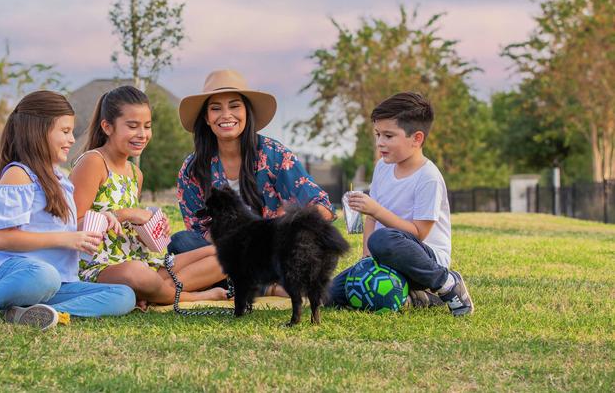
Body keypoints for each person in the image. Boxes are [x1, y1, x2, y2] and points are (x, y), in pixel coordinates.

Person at [0, 91, 136, 330]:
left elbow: (62, 229)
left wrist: (98, 222)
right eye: (65, 131)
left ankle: (42, 313)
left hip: (58, 283)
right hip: (21, 274)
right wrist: (68, 239)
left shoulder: (60, 179)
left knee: (124, 295)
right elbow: (5, 240)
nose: (72, 140)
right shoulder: (18, 175)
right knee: (44, 276)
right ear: (38, 131)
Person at [172, 69, 336, 296]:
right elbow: (198, 232)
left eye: (234, 106)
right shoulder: (192, 169)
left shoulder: (274, 154)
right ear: (206, 119)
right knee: (182, 241)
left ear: (247, 112)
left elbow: (323, 207)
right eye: (216, 108)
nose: (226, 115)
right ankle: (260, 286)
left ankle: (250, 284)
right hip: (222, 255)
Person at [70, 85, 228, 308]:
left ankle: (154, 293)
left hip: (139, 261)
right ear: (107, 126)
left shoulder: (135, 173)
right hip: (99, 266)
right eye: (132, 126)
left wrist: (152, 229)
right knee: (137, 274)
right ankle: (191, 296)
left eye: (147, 126)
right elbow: (70, 227)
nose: (142, 134)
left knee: (223, 254)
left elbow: (130, 233)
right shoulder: (93, 162)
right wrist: (126, 214)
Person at [329, 92, 474, 316]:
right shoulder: (382, 167)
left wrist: (376, 210)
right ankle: (418, 298)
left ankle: (446, 283)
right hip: (384, 254)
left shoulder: (428, 177)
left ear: (417, 138)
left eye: (388, 136)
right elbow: (370, 218)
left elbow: (419, 233)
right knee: (328, 295)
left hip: (422, 259)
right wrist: (366, 259)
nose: (380, 143)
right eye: (377, 135)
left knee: (384, 238)